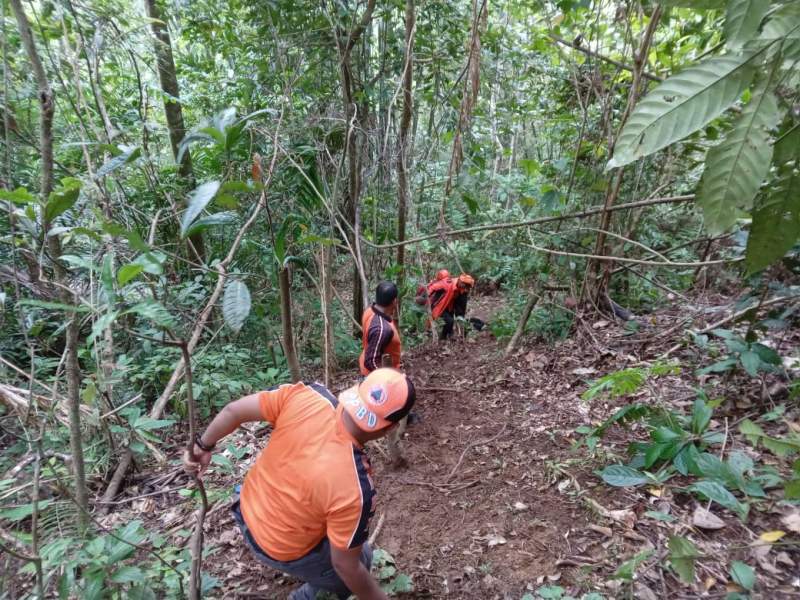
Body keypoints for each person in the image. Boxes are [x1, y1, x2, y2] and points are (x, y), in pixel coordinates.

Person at [183, 369, 416, 600]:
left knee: (352, 544)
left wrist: (202, 446)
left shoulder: (308, 395)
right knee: (361, 559)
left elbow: (233, 410)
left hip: (245, 508)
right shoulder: (357, 486)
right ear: (389, 427)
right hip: (279, 547)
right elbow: (346, 567)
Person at [359, 281, 402, 376]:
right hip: (375, 377)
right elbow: (371, 361)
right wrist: (388, 378)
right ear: (394, 301)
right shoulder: (381, 329)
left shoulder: (370, 310)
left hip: (371, 368)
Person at [427, 273, 475, 339]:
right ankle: (442, 337)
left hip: (449, 306)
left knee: (452, 320)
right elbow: (431, 288)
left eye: (467, 287)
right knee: (449, 321)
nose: (465, 289)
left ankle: (450, 334)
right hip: (439, 305)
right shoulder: (447, 284)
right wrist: (425, 296)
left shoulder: (462, 290)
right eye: (465, 286)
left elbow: (461, 307)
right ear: (460, 281)